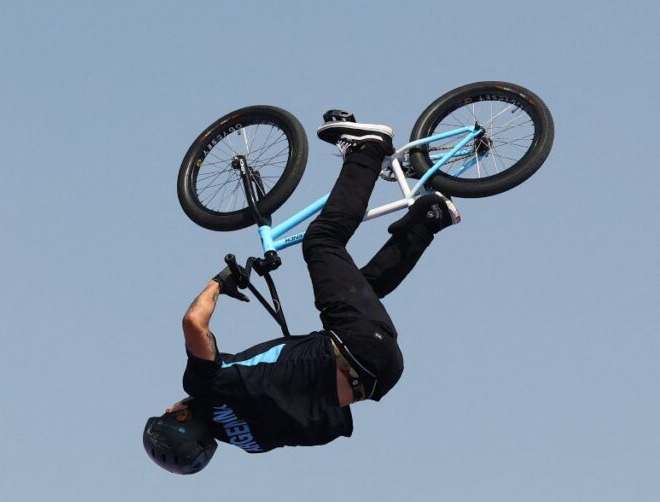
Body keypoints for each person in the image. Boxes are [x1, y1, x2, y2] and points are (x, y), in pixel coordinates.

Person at [143, 113, 462, 474]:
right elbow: (193, 323)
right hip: (354, 344)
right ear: (181, 414)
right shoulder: (206, 387)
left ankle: (429, 219)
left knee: (363, 291)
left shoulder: (255, 443)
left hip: (382, 374)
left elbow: (319, 416)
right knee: (321, 241)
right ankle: (368, 150)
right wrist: (220, 282)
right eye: (170, 410)